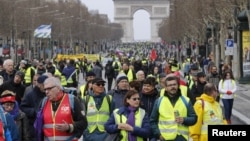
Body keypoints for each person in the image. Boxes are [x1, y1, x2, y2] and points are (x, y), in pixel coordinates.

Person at [150, 75, 197, 141]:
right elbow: (152, 121)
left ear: (178, 86)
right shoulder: (159, 101)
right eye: (170, 85)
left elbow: (194, 118)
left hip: (181, 138)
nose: (173, 87)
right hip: (164, 138)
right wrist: (158, 135)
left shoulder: (186, 100)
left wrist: (184, 120)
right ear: (165, 88)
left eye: (174, 84)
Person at [20, 75, 48, 141]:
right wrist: (34, 112)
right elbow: (22, 107)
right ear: (39, 84)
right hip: (34, 125)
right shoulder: (30, 94)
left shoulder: (48, 94)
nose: (46, 87)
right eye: (44, 85)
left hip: (46, 126)